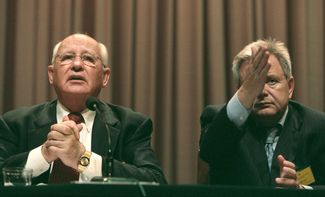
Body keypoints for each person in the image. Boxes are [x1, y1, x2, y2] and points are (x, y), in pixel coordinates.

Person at [0, 33, 166, 185]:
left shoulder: (131, 125)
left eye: (88, 59)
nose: (77, 65)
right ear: (51, 74)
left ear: (105, 77)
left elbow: (154, 181)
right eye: (67, 57)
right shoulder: (15, 123)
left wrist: (82, 158)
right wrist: (43, 155)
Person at [199, 38, 325, 188]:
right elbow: (210, 153)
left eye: (271, 81)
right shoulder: (222, 120)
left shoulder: (317, 126)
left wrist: (300, 189)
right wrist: (246, 93)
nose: (262, 91)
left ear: (290, 87)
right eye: (252, 84)